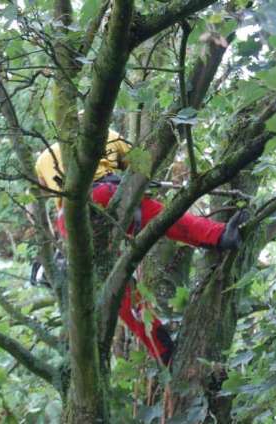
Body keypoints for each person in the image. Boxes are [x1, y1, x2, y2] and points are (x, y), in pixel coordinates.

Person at [35, 129, 246, 365]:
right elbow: (138, 161)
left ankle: (161, 348)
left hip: (71, 219)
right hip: (105, 194)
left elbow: (47, 191)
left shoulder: (43, 158)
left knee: (117, 287)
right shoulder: (105, 133)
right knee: (167, 218)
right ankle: (220, 236)